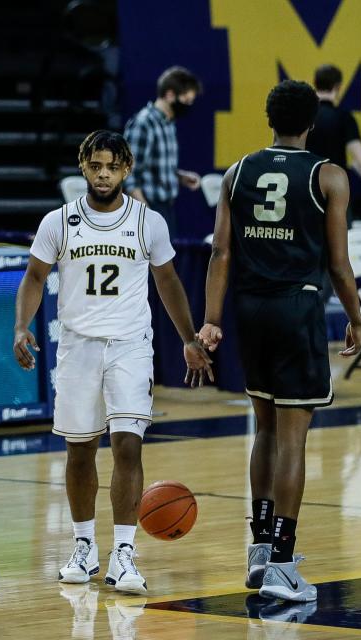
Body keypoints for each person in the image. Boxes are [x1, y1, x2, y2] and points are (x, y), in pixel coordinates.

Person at [13, 130, 212, 595]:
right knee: (79, 450)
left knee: (127, 446)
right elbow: (34, 277)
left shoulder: (148, 222)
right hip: (77, 347)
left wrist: (188, 338)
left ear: (126, 170)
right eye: (95, 165)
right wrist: (22, 326)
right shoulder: (58, 222)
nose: (103, 174)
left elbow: (168, 283)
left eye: (112, 167)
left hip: (129, 346)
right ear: (83, 166)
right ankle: (83, 546)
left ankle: (124, 554)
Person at [200, 80, 361, 602]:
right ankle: (282, 562)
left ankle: (258, 550)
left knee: (265, 432)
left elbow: (220, 254)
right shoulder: (329, 175)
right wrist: (358, 319)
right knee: (293, 439)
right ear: (313, 121)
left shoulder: (238, 171)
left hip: (250, 310)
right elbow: (338, 264)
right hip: (297, 309)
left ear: (268, 117)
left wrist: (211, 319)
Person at [123, 66, 203, 239]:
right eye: (186, 100)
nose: (189, 106)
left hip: (166, 208)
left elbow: (153, 165)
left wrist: (180, 176)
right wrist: (146, 214)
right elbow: (128, 174)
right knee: (150, 265)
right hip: (148, 207)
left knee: (166, 263)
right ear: (169, 95)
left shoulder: (168, 123)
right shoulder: (144, 123)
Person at [307, 64, 361, 212]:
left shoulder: (304, 116)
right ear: (338, 87)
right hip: (335, 193)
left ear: (314, 82)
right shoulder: (343, 117)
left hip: (305, 191)